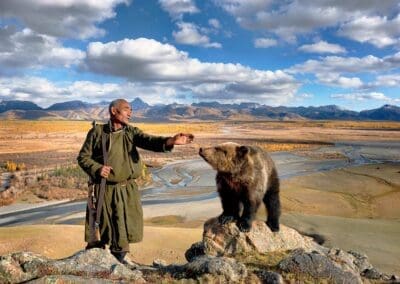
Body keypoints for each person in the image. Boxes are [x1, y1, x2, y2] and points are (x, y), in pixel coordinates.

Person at [77, 98, 194, 263]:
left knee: (124, 227)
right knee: (105, 227)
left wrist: (171, 141)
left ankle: (119, 262)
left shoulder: (131, 132)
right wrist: (97, 168)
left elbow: (150, 141)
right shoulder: (97, 133)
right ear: (113, 111)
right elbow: (83, 157)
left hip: (128, 190)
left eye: (131, 110)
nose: (130, 113)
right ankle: (103, 264)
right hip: (106, 189)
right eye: (126, 109)